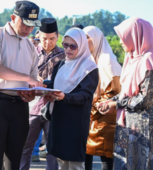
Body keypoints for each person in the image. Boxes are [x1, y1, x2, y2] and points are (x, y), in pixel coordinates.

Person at [98, 17, 153, 170]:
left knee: (141, 164)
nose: (120, 42)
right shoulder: (131, 59)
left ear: (135, 36)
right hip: (127, 123)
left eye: (123, 38)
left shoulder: (149, 59)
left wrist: (115, 104)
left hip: (143, 125)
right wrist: (109, 101)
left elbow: (146, 98)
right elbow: (126, 92)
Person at [0, 1, 43, 169]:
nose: (28, 29)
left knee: (15, 158)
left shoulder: (30, 46)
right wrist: (28, 80)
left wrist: (32, 92)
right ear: (13, 17)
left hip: (20, 105)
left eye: (32, 26)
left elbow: (32, 79)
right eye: (25, 24)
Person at [44, 28, 98, 170]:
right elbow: (55, 84)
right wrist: (44, 89)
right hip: (59, 117)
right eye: (65, 45)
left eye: (73, 46)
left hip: (75, 122)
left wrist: (65, 97)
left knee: (74, 163)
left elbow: (86, 96)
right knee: (61, 160)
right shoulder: (61, 64)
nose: (68, 49)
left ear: (82, 46)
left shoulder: (90, 68)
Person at [20, 18, 65, 170]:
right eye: (44, 39)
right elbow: (20, 76)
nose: (48, 43)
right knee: (25, 147)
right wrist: (31, 80)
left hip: (54, 108)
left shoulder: (64, 57)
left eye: (52, 39)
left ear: (58, 36)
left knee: (52, 149)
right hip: (32, 106)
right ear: (38, 35)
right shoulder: (30, 53)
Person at [83, 26, 122, 170]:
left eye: (88, 37)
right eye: (83, 37)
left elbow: (115, 91)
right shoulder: (91, 57)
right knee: (86, 151)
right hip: (92, 114)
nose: (85, 41)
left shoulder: (107, 60)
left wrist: (92, 108)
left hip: (105, 116)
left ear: (97, 39)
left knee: (105, 155)